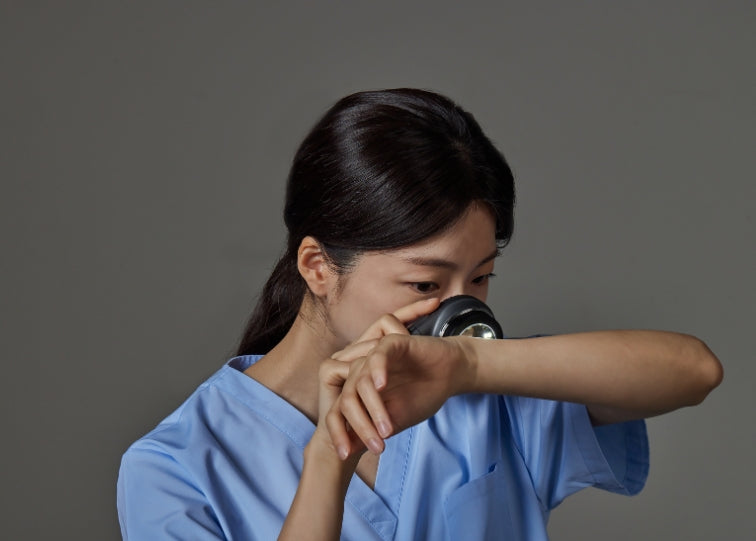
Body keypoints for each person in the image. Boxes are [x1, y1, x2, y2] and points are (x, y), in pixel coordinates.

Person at [116, 88, 723, 540]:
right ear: (318, 267)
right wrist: (328, 463)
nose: (458, 308)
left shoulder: (482, 385)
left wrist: (469, 369)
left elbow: (694, 371)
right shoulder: (175, 466)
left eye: (481, 277)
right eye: (425, 282)